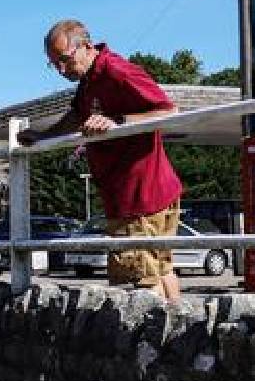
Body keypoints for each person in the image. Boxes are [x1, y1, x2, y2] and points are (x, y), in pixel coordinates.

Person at [18, 19, 184, 301]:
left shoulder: (116, 71)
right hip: (141, 193)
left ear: (85, 46)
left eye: (64, 60)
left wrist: (118, 122)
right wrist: (43, 136)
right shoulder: (89, 80)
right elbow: (77, 116)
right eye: (53, 64)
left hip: (139, 196)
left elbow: (169, 110)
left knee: (140, 280)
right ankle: (178, 337)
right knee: (160, 268)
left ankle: (146, 341)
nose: (60, 69)